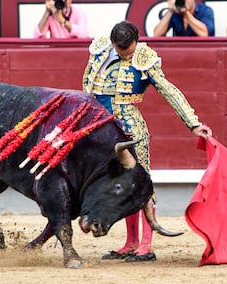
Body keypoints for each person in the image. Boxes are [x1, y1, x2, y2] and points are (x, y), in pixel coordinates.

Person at [82, 20, 212, 262]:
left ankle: (145, 245)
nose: (125, 54)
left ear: (136, 42)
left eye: (129, 50)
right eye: (121, 50)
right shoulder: (100, 48)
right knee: (118, 182)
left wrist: (193, 122)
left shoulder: (144, 57)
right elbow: (88, 87)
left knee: (140, 181)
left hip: (130, 129)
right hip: (101, 128)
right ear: (113, 43)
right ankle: (130, 243)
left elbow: (168, 89)